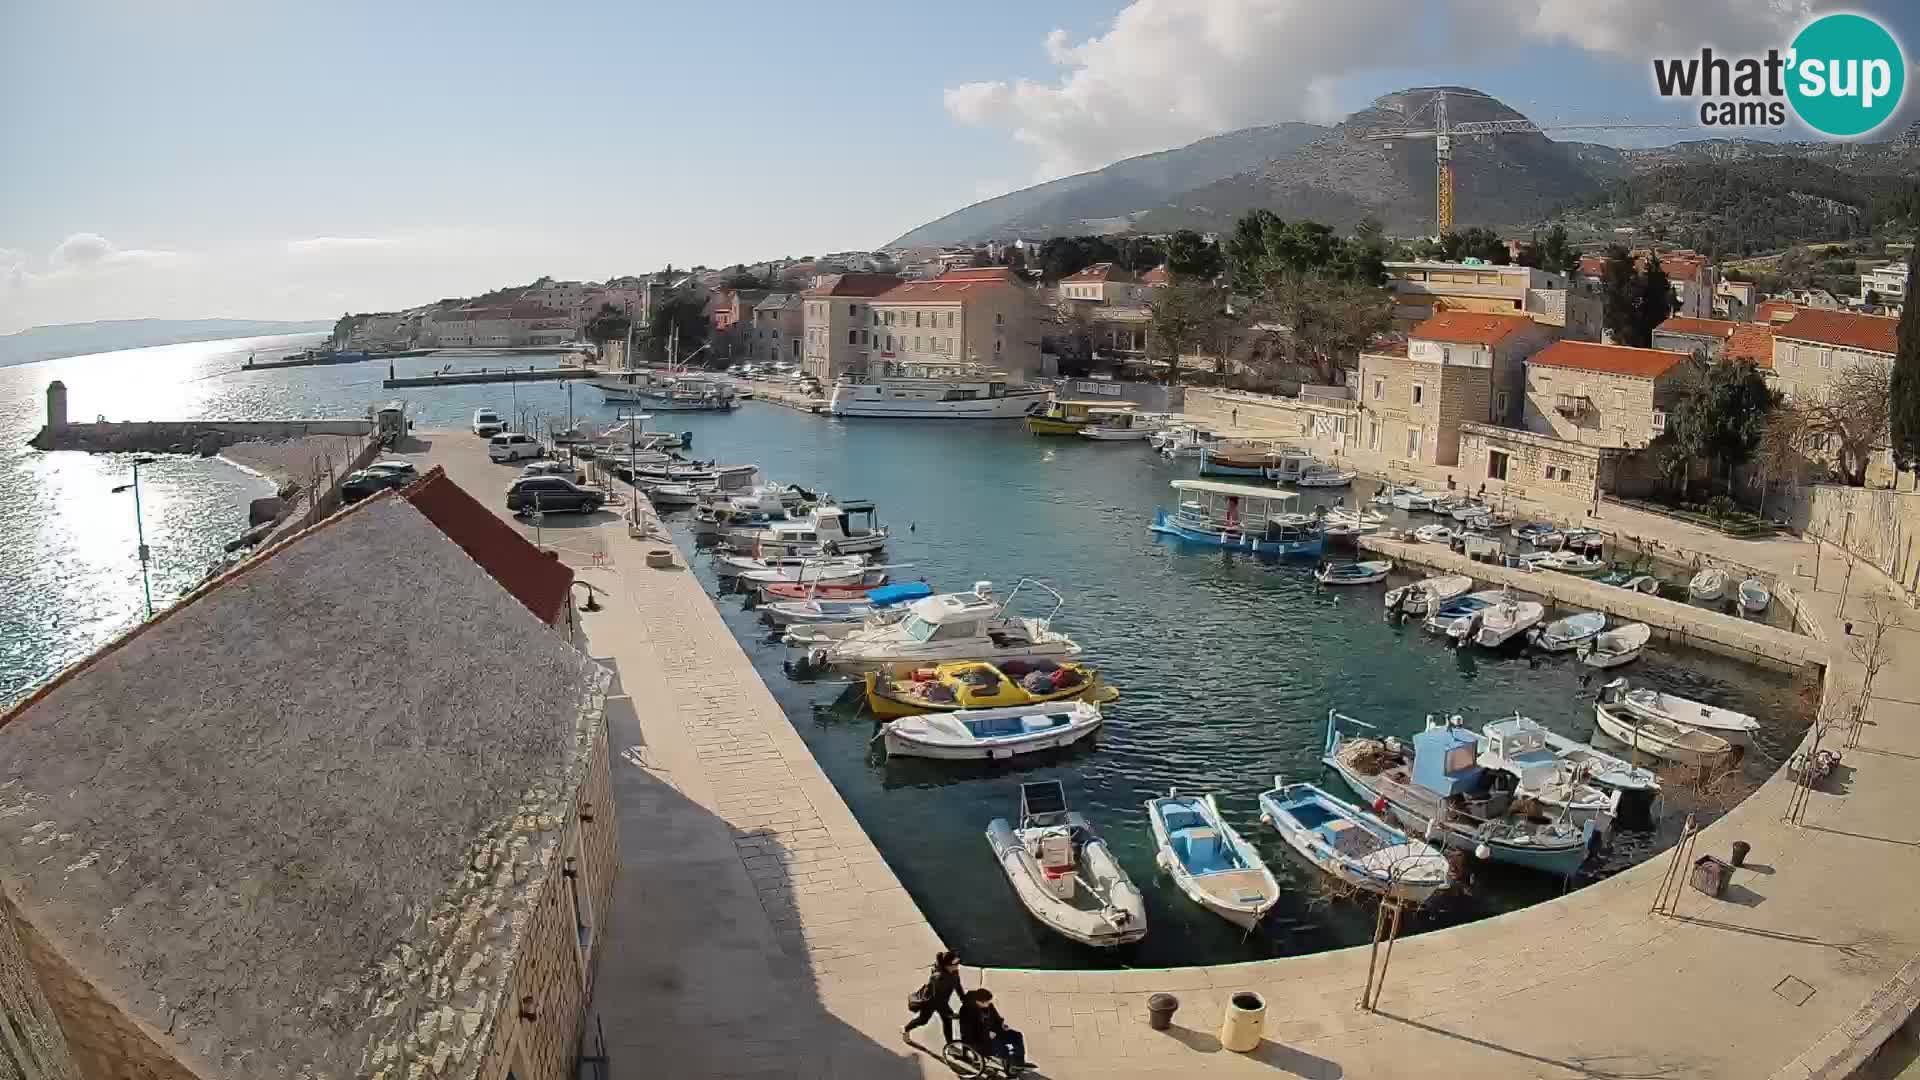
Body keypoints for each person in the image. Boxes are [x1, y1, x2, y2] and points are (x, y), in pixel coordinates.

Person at [959, 988, 1030, 1068]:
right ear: (979, 1001)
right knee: (1002, 1045)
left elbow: (997, 1018)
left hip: (993, 1032)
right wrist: (986, 1034)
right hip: (979, 1039)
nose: (989, 1003)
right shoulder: (966, 1011)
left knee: (1017, 1035)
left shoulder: (989, 1005)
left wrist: (1002, 1025)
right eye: (987, 1002)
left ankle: (1019, 1061)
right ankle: (1011, 1060)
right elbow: (968, 1031)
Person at [904, 950, 963, 1044]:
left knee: (948, 1022)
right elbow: (937, 999)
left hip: (942, 1001)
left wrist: (964, 999)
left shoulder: (954, 972)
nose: (958, 965)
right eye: (956, 963)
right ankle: (906, 1029)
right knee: (923, 1020)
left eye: (958, 962)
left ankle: (950, 1045)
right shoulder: (938, 978)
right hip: (930, 1002)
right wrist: (949, 1012)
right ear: (947, 965)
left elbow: (958, 986)